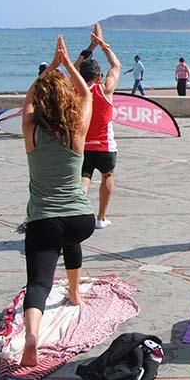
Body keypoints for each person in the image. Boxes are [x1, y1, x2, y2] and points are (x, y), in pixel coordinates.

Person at [18, 35, 95, 367]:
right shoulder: (76, 128)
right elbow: (88, 93)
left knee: (38, 282)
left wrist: (50, 68)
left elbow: (29, 99)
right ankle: (75, 293)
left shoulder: (31, 129)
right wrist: (67, 65)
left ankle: (32, 337)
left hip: (43, 220)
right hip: (81, 219)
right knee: (70, 238)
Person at [77, 23, 121, 230]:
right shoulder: (106, 88)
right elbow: (117, 66)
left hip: (82, 144)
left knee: (84, 180)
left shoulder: (75, 89)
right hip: (105, 145)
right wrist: (103, 46)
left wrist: (91, 46)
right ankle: (101, 218)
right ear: (99, 76)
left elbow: (74, 66)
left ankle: (77, 214)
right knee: (107, 176)